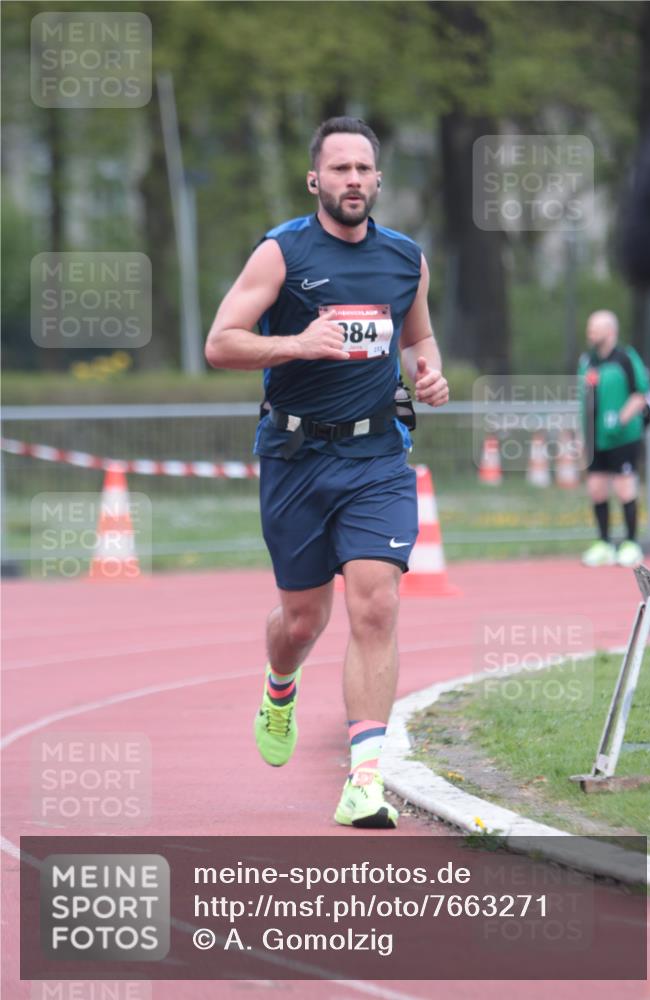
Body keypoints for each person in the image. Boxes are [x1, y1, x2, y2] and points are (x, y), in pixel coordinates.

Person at [205, 116, 448, 828]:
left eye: (362, 170)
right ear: (315, 179)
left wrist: (428, 372)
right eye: (338, 169)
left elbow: (419, 335)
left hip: (376, 457)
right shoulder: (281, 253)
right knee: (302, 620)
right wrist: (298, 343)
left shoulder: (406, 258)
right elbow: (220, 344)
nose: (351, 181)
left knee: (376, 605)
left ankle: (364, 780)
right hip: (296, 459)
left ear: (377, 180)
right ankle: (280, 684)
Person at [578, 310, 650, 568]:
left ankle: (631, 543)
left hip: (622, 438)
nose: (590, 333)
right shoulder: (588, 361)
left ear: (610, 331)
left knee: (624, 487)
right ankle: (604, 543)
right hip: (596, 439)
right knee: (596, 489)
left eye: (594, 328)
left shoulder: (626, 359)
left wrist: (620, 420)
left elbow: (640, 393)